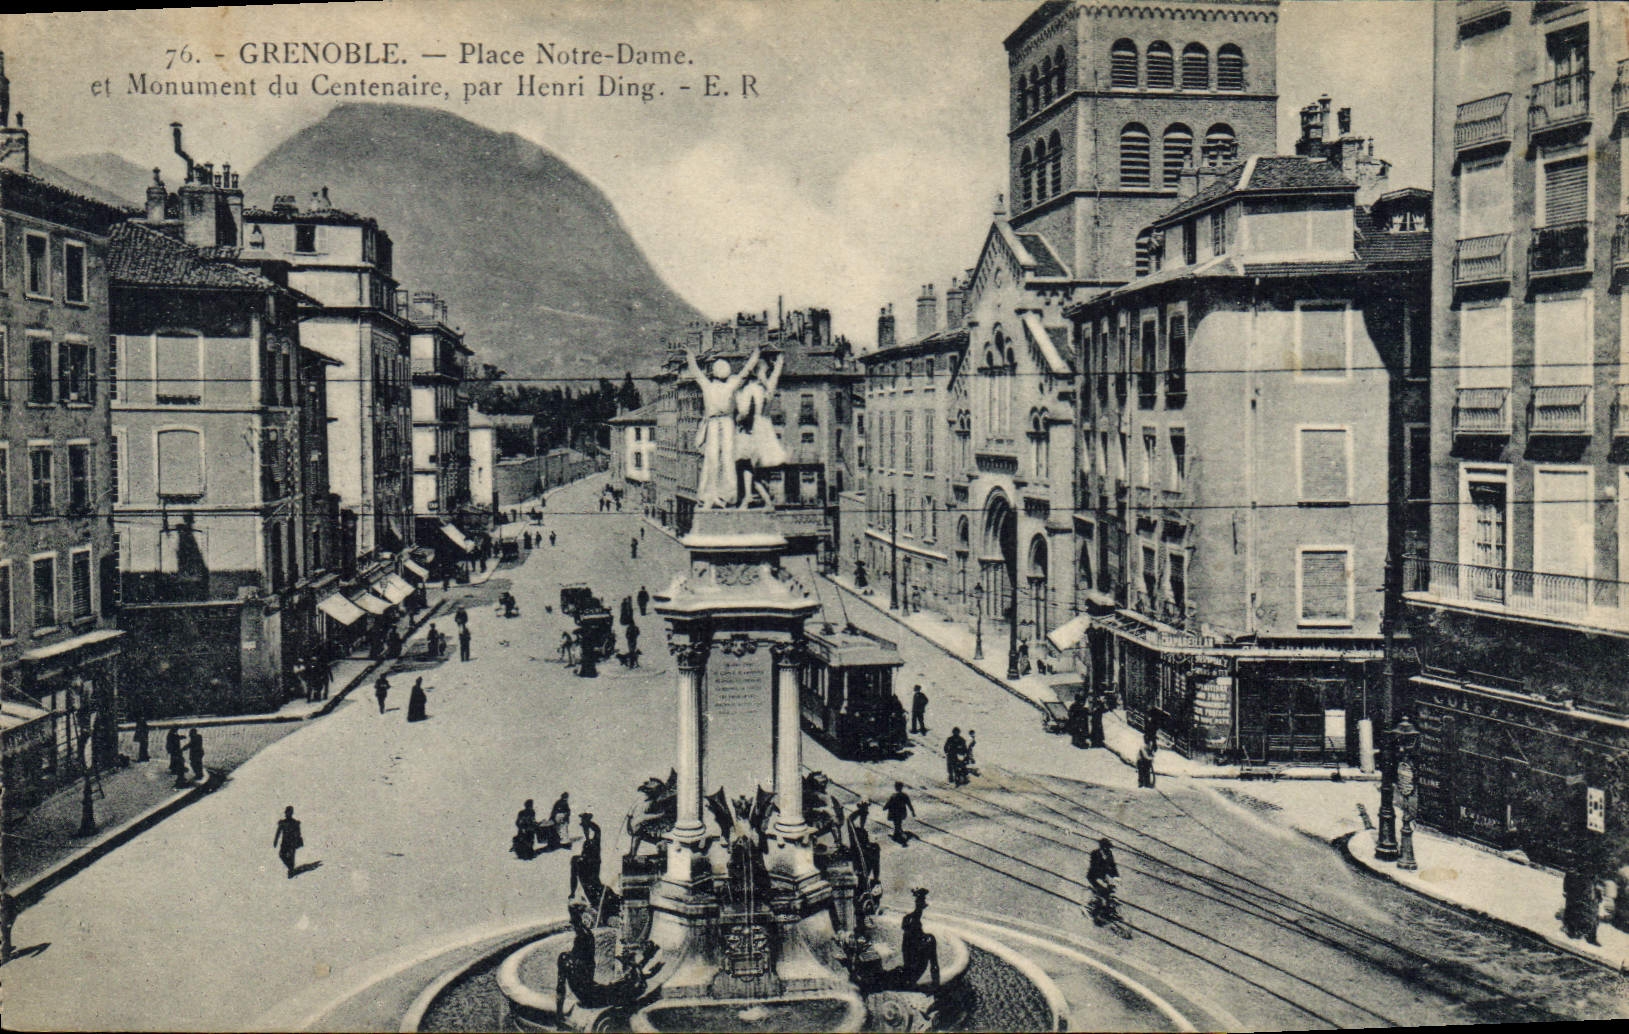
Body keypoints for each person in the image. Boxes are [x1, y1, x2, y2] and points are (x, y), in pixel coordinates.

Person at [684, 344, 760, 508]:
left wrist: (690, 356)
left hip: (716, 423)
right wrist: (755, 355)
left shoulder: (708, 385)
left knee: (714, 459)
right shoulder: (729, 386)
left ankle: (712, 496)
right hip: (725, 423)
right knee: (725, 459)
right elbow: (745, 372)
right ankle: (725, 496)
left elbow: (696, 372)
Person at [732, 350, 786, 509]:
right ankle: (764, 500)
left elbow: (743, 412)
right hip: (766, 429)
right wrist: (779, 364)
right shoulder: (768, 389)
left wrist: (738, 419)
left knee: (746, 464)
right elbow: (775, 377)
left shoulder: (750, 389)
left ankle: (750, 496)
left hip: (752, 430)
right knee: (756, 468)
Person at [899, 888, 940, 989]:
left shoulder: (909, 931)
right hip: (912, 973)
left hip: (909, 973)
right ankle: (935, 984)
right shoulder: (927, 940)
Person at [570, 813, 602, 900]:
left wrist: (587, 822)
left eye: (586, 828)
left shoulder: (594, 840)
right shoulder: (587, 842)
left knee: (592, 886)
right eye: (584, 828)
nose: (585, 830)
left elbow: (597, 830)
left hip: (592, 866)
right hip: (587, 867)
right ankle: (573, 892)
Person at [1087, 838, 1119, 918]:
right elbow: (1094, 867)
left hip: (1103, 877)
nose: (1107, 849)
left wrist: (1116, 876)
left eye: (1108, 847)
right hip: (1094, 876)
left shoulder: (1109, 853)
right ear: (1102, 847)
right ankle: (1097, 909)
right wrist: (1102, 880)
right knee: (1103, 891)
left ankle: (1109, 910)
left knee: (1111, 890)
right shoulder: (1095, 854)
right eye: (1106, 847)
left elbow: (1113, 865)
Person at [274, 806, 304, 878]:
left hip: (292, 843)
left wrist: (298, 841)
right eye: (287, 812)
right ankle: (291, 868)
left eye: (289, 812)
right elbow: (278, 832)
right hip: (285, 843)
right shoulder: (283, 823)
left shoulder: (295, 823)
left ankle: (291, 870)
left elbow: (298, 833)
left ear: (291, 813)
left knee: (291, 857)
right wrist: (275, 841)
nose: (288, 814)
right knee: (282, 855)